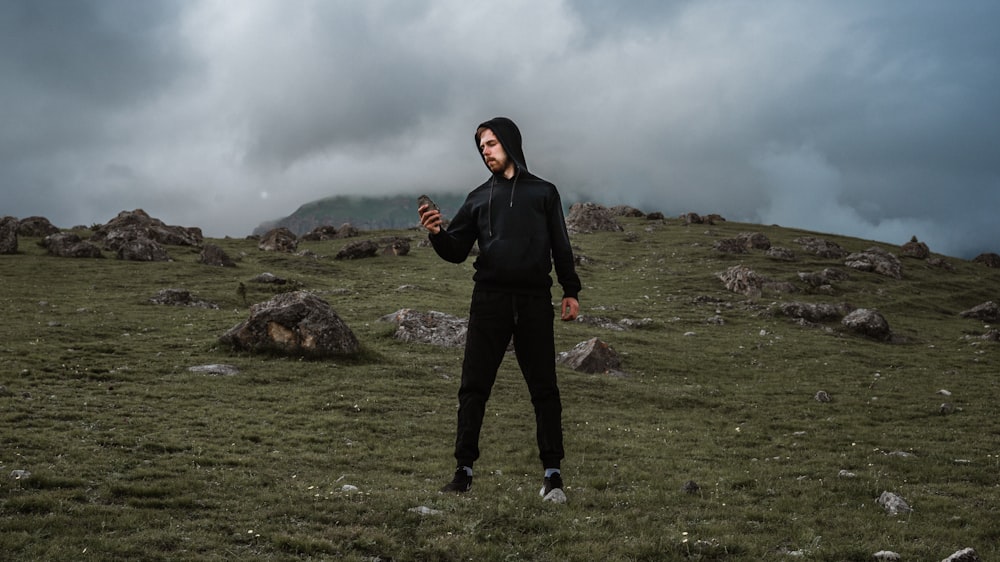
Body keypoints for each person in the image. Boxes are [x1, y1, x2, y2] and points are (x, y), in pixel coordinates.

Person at [417, 116, 581, 502]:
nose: (485, 151)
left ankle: (553, 476)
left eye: (490, 143)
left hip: (534, 301)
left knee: (545, 390)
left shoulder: (544, 192)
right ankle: (463, 472)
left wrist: (570, 290)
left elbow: (561, 244)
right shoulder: (477, 197)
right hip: (488, 300)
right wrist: (438, 233)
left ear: (509, 141)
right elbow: (456, 251)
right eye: (481, 147)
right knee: (473, 388)